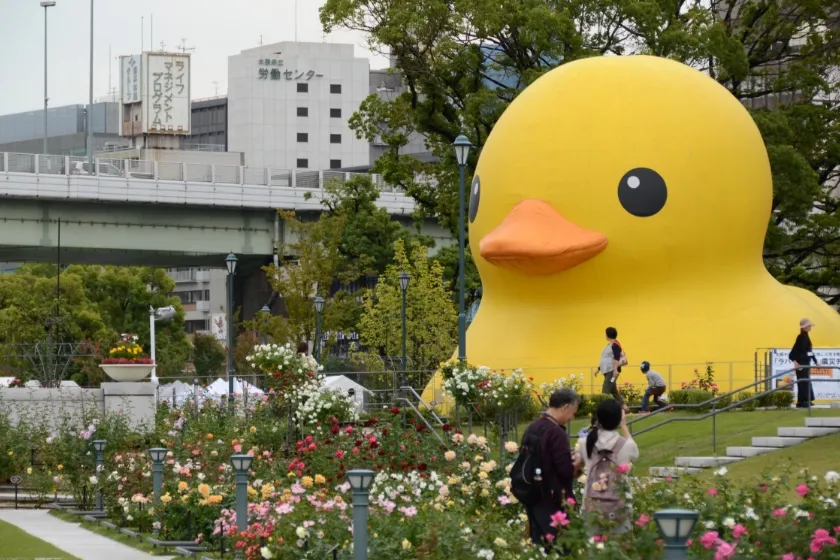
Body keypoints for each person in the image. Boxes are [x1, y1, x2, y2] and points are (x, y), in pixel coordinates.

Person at [519, 388, 579, 549]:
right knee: (558, 546)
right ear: (566, 407)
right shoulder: (556, 432)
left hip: (533, 494)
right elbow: (565, 470)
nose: (572, 417)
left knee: (539, 545)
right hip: (553, 498)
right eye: (573, 412)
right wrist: (579, 462)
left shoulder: (532, 427)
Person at [578, 399, 639, 534]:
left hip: (591, 505)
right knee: (620, 549)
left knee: (592, 550)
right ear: (619, 419)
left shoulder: (584, 443)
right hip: (620, 506)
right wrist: (623, 425)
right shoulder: (627, 445)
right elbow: (635, 454)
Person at [595, 327, 627, 411]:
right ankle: (624, 406)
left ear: (608, 335)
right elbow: (606, 358)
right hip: (607, 371)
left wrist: (615, 370)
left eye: (606, 334)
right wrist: (598, 369)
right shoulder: (609, 345)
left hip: (612, 372)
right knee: (614, 390)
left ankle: (603, 410)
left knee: (605, 390)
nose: (605, 335)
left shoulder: (615, 345)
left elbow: (616, 358)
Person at [789, 318, 816, 408]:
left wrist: (815, 360)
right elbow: (797, 351)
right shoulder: (801, 337)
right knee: (803, 382)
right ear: (804, 327)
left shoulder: (805, 336)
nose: (810, 327)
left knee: (805, 381)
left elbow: (808, 351)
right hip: (802, 363)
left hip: (805, 363)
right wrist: (795, 361)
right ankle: (803, 401)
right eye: (808, 326)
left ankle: (805, 400)